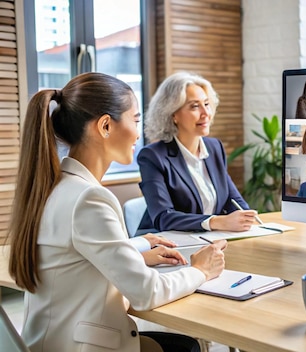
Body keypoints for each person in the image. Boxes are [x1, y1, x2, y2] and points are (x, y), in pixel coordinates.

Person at [8, 72, 228, 352]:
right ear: (105, 126)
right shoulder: (90, 198)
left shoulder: (55, 186)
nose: (139, 133)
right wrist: (200, 269)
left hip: (51, 340)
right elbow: (146, 293)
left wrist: (137, 246)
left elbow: (76, 250)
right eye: (135, 120)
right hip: (80, 345)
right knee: (187, 347)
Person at [137, 72, 258, 233]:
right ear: (173, 114)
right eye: (195, 106)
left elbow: (232, 200)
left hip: (207, 240)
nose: (205, 113)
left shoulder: (214, 147)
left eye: (206, 104)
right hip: (164, 245)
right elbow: (163, 217)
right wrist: (216, 222)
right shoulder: (153, 156)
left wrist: (246, 218)